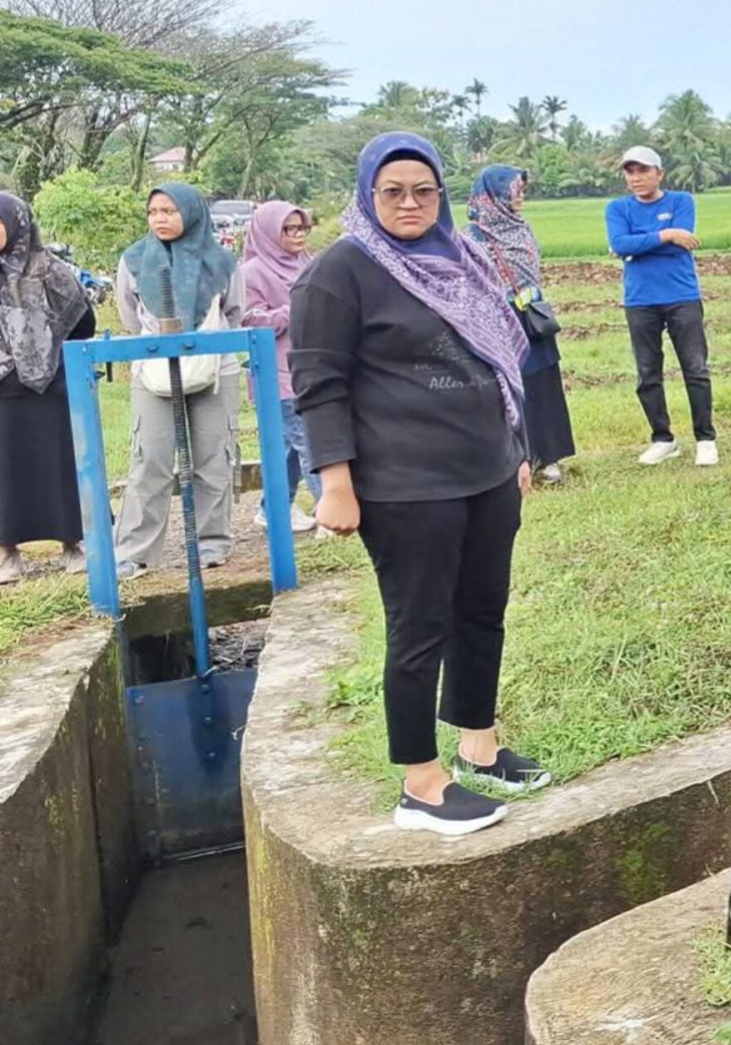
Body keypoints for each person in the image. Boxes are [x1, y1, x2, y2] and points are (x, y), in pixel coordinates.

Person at [294, 132, 547, 836]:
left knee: (483, 608)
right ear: (368, 195)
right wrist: (335, 483)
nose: (409, 203)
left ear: (441, 195)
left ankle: (478, 744)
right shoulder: (340, 271)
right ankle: (422, 784)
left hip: (486, 470)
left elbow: (499, 363)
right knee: (419, 626)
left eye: (423, 191)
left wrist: (517, 448)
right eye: (393, 192)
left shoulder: (461, 257)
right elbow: (318, 384)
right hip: (404, 483)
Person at [114, 181, 247, 577]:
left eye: (169, 211)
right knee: (149, 458)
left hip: (215, 369)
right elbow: (130, 316)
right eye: (153, 212)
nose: (160, 219)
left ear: (189, 213)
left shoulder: (221, 261)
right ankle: (135, 551)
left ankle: (212, 543)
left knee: (213, 455)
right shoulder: (133, 260)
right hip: (153, 368)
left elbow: (234, 311)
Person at [0, 192, 95, 586]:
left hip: (48, 386)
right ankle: (8, 553)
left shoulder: (48, 269)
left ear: (16, 224)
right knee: (1, 471)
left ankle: (73, 544)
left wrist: (42, 349)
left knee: (58, 464)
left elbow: (82, 321)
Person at [607, 146, 717, 466]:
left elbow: (682, 242)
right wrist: (667, 234)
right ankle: (663, 439)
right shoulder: (617, 208)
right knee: (647, 373)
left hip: (682, 296)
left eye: (643, 170)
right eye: (630, 172)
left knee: (695, 369)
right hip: (640, 300)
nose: (636, 178)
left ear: (659, 173)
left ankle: (705, 438)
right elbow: (620, 244)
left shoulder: (681, 201)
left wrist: (637, 246)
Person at [468, 167, 576, 483]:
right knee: (508, 388)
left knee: (542, 383)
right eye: (516, 189)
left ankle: (549, 458)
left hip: (531, 317)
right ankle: (517, 460)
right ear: (495, 194)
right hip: (498, 321)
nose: (521, 196)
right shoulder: (472, 237)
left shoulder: (522, 228)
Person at [238, 200, 324, 529]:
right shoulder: (251, 272)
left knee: (290, 445)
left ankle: (273, 508)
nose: (298, 235)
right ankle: (328, 512)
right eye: (289, 229)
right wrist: (294, 308)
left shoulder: (307, 263)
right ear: (269, 232)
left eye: (303, 227)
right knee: (308, 440)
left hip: (312, 365)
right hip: (277, 372)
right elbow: (249, 320)